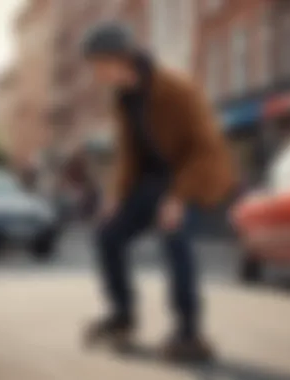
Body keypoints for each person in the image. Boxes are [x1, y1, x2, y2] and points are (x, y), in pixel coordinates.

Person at [81, 23, 236, 360]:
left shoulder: (177, 89)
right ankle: (123, 315)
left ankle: (189, 332)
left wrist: (178, 198)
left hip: (192, 176)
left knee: (174, 236)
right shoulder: (122, 98)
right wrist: (115, 196)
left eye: (98, 65)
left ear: (119, 59)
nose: (95, 73)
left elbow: (206, 149)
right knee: (108, 234)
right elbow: (128, 154)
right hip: (150, 182)